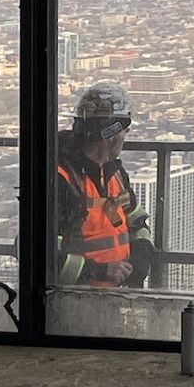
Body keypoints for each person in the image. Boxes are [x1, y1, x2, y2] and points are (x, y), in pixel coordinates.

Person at [54, 83, 156, 288]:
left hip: (111, 297)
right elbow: (41, 257)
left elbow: (137, 221)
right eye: (125, 131)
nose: (125, 137)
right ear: (111, 133)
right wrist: (100, 271)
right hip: (70, 301)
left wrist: (140, 259)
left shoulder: (114, 174)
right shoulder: (60, 179)